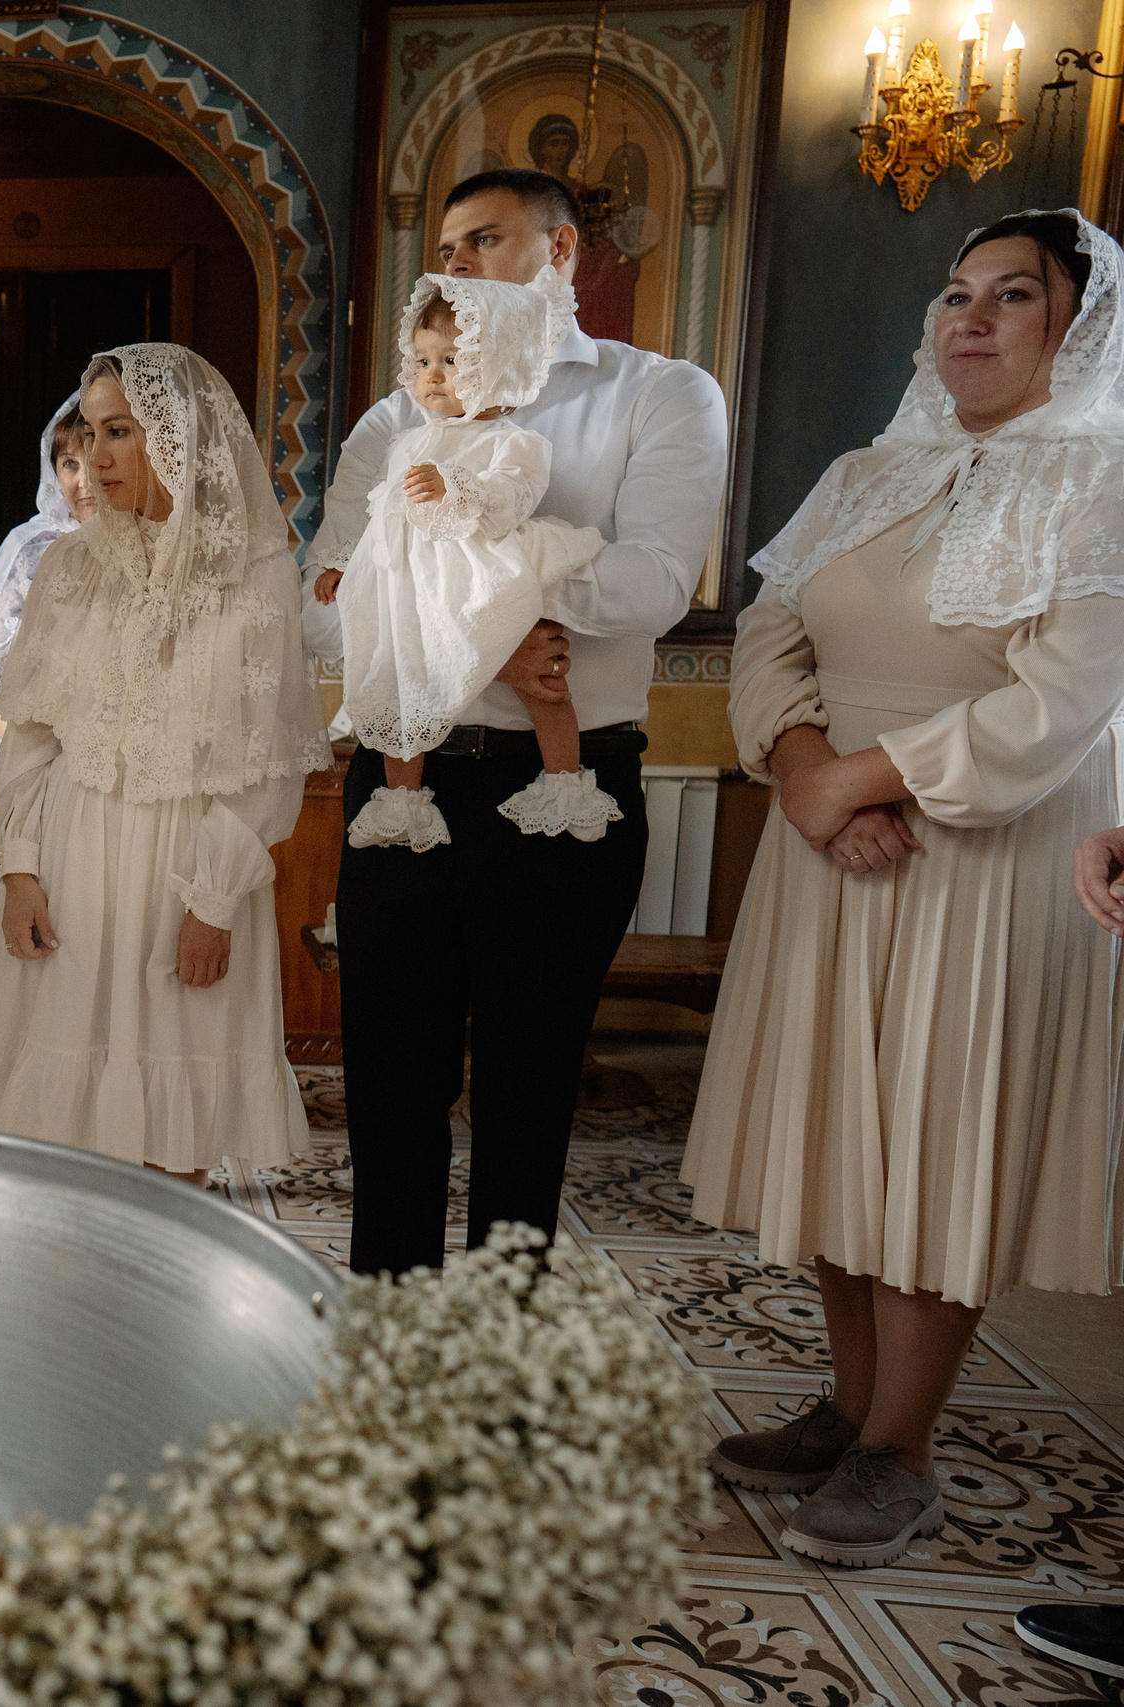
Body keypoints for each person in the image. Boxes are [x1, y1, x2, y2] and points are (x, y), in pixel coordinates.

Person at [687, 210, 1124, 1569]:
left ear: (1082, 328)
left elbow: (1062, 707)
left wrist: (866, 779)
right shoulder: (864, 470)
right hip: (833, 843)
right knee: (837, 1130)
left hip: (986, 856)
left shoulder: (1106, 483)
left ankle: (903, 1451)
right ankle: (849, 1402)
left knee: (937, 1145)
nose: (969, 319)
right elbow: (769, 633)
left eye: (1014, 296)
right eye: (954, 293)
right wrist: (807, 770)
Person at [303, 167, 728, 1278]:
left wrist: (457, 589)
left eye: (485, 239)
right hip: (407, 775)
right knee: (388, 1081)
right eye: (447, 248)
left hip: (562, 783)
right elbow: (324, 606)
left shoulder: (656, 394)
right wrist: (494, 625)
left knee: (529, 1089)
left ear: (561, 251)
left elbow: (653, 583)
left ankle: (501, 1347)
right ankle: (390, 1328)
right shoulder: (398, 416)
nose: (458, 264)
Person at [0, 345, 328, 1173]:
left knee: (177, 1129)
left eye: (119, 431)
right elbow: (32, 735)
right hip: (73, 870)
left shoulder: (256, 575)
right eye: (89, 434)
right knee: (60, 1134)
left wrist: (214, 900)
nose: (96, 457)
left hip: (186, 871)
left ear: (178, 437)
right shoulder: (69, 566)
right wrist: (19, 869)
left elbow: (269, 761)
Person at [317, 272, 618, 852]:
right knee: (402, 688)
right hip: (418, 586)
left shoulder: (512, 441)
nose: (432, 375)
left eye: (452, 360)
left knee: (541, 678)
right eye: (424, 360)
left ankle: (564, 781)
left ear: (499, 367)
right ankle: (402, 800)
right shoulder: (406, 441)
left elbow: (509, 498)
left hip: (485, 572)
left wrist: (452, 487)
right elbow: (384, 518)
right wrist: (345, 565)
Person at [0, 396, 95, 907]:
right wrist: (50, 770)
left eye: (93, 459)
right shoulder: (33, 549)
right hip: (35, 775)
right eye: (69, 464)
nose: (83, 481)